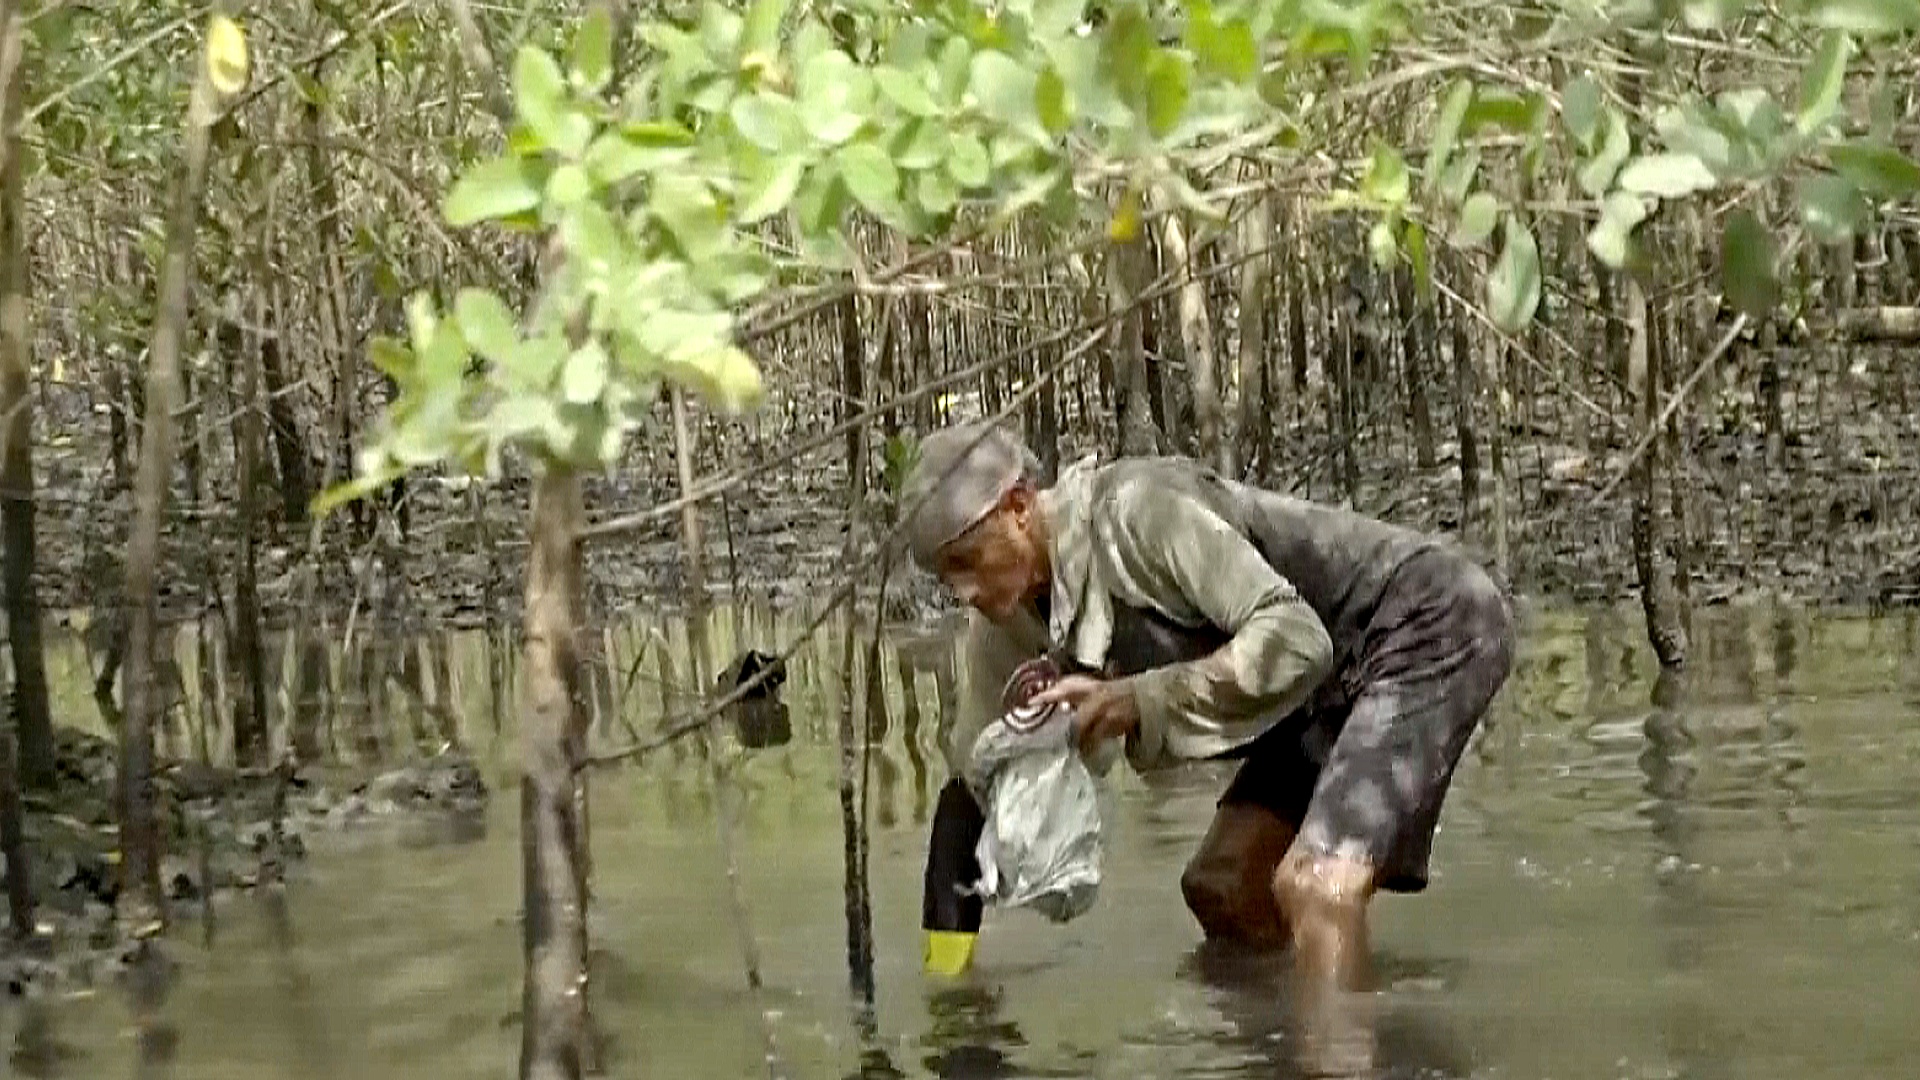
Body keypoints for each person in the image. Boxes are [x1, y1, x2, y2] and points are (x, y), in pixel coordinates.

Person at [907, 421, 1515, 989]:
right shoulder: (1001, 626)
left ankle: (1338, 1041)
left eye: (967, 561)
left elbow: (1296, 641)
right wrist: (952, 1010)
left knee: (1319, 889)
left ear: (1019, 506)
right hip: (1314, 695)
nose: (962, 591)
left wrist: (1136, 700)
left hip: (1422, 620)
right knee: (1223, 889)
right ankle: (1317, 1037)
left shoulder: (1138, 512)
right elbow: (969, 796)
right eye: (944, 576)